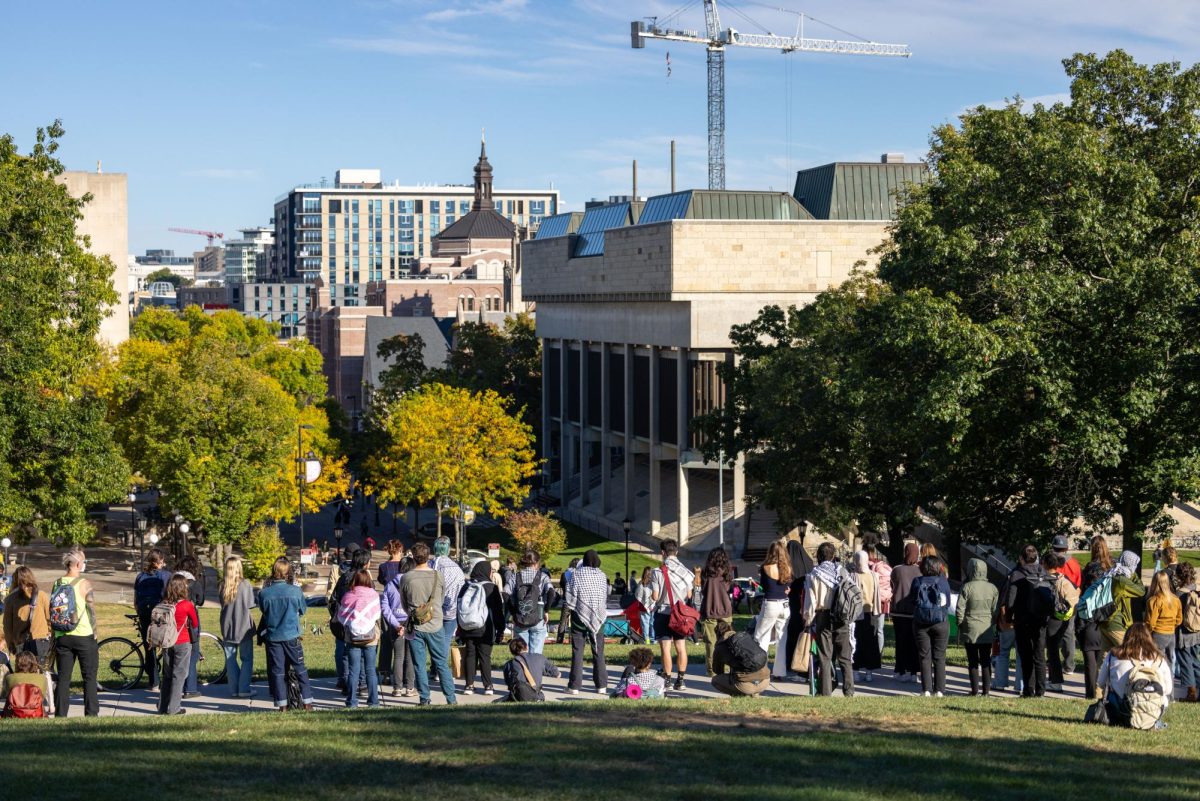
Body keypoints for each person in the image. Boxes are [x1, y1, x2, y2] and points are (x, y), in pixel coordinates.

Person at [402, 542, 456, 706]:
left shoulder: (407, 577)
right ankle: (451, 698)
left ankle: (424, 698)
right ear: (428, 556)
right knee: (441, 663)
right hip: (436, 623)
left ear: (413, 556)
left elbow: (403, 602)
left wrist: (413, 612)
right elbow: (442, 595)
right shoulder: (437, 576)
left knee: (419, 664)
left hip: (416, 624)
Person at [257, 557, 315, 711]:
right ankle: (307, 703)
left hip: (274, 637)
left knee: (277, 671)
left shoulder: (264, 593)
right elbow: (303, 610)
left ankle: (282, 705)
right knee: (300, 668)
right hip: (291, 635)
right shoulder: (295, 591)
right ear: (288, 572)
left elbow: (264, 611)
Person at [1099, 622, 1172, 729]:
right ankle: (1150, 720)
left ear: (1127, 637)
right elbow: (1168, 690)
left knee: (1109, 693)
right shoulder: (1159, 659)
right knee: (1164, 697)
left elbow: (1101, 682)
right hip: (1153, 710)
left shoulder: (1113, 655)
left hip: (1122, 710)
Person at [53, 547, 98, 717]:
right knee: (89, 676)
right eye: (84, 561)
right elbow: (91, 611)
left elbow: (55, 610)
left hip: (62, 635)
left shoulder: (57, 583)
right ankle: (91, 713)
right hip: (83, 635)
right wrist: (95, 632)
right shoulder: (84, 583)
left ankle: (61, 713)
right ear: (78, 564)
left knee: (64, 678)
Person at [804, 542, 854, 697]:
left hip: (823, 616)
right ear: (833, 555)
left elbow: (810, 602)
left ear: (819, 556)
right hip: (841, 616)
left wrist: (808, 620)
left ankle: (825, 692)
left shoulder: (814, 574)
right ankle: (849, 690)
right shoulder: (842, 572)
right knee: (845, 657)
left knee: (825, 657)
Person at [1004, 545, 1053, 697]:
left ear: (1021, 558)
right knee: (1039, 655)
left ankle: (1028, 690)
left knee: (1025, 656)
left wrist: (1008, 617)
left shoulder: (1017, 574)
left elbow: (1010, 600)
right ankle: (1041, 690)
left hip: (1022, 619)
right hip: (1041, 619)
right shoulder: (1043, 572)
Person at [649, 539, 694, 691]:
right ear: (677, 552)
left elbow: (655, 596)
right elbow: (689, 594)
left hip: (664, 613)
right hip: (680, 614)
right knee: (681, 647)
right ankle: (680, 680)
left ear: (662, 553)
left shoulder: (658, 572)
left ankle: (667, 679)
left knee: (666, 648)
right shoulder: (686, 572)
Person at [565, 549, 609, 695]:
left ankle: (574, 686)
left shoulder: (576, 575)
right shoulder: (602, 576)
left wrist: (573, 607)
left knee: (577, 651)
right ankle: (601, 685)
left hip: (579, 616)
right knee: (598, 651)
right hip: (598, 617)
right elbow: (604, 595)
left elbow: (570, 596)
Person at [337, 568, 382, 708]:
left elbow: (341, 617)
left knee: (353, 670)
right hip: (371, 637)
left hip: (352, 638)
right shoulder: (374, 595)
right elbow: (377, 615)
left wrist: (353, 623)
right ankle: (373, 701)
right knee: (370, 670)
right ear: (368, 580)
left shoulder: (348, 595)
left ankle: (351, 701)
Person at [459, 560, 504, 695]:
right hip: (486, 627)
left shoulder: (466, 586)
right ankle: (488, 686)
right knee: (485, 656)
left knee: (470, 655)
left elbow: (459, 607)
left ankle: (469, 685)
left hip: (467, 627)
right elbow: (497, 611)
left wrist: (459, 628)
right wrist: (500, 629)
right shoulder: (491, 587)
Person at [329, 547, 370, 692]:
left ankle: (346, 681)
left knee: (345, 652)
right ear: (365, 563)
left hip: (344, 619)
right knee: (363, 651)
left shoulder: (344, 577)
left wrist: (337, 615)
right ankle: (362, 682)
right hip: (362, 620)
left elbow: (334, 599)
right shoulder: (365, 578)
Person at [957, 556, 999, 696]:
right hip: (986, 627)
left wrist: (960, 624)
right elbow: (996, 610)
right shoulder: (993, 588)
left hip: (970, 627)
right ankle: (986, 691)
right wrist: (991, 623)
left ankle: (974, 690)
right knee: (986, 660)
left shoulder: (967, 587)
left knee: (973, 661)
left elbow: (960, 609)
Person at [911, 554, 952, 697]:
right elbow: (947, 602)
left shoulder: (917, 581)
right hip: (940, 621)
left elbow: (912, 600)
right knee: (939, 657)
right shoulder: (943, 582)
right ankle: (939, 690)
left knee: (924, 656)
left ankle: (926, 689)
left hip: (921, 623)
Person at [158, 574, 199, 715]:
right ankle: (174, 708)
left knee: (167, 676)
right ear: (183, 588)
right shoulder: (187, 605)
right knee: (179, 675)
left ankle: (163, 707)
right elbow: (195, 623)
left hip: (167, 642)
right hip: (182, 642)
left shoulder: (164, 604)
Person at [504, 549, 557, 655]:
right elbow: (551, 592)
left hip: (520, 618)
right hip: (538, 617)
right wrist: (546, 611)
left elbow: (505, 593)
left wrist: (513, 612)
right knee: (536, 654)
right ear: (537, 562)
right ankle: (534, 669)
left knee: (522, 653)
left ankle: (523, 669)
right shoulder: (542, 576)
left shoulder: (515, 576)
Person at [132, 549, 172, 688]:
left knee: (149, 646)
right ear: (157, 561)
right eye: (162, 561)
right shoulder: (166, 575)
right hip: (160, 613)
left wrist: (139, 610)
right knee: (166, 643)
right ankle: (168, 678)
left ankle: (153, 681)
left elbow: (136, 599)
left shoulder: (140, 576)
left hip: (144, 611)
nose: (164, 563)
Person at [753, 541, 792, 680]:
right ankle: (779, 672)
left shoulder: (765, 567)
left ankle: (761, 670)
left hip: (770, 603)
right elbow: (788, 587)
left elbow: (763, 587)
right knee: (782, 638)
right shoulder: (787, 567)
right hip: (785, 605)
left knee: (761, 635)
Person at [219, 555, 256, 699]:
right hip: (244, 626)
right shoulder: (245, 584)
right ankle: (244, 688)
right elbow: (250, 604)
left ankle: (234, 689)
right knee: (246, 658)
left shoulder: (222, 585)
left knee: (231, 659)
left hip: (228, 626)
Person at [381, 555, 417, 698]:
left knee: (398, 656)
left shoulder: (389, 585)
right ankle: (409, 688)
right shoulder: (413, 584)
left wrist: (396, 625)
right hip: (410, 623)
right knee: (409, 656)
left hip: (395, 624)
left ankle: (397, 688)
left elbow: (385, 608)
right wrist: (408, 622)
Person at [1044, 552, 1079, 692]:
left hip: (1052, 619)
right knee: (1054, 650)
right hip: (1063, 619)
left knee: (1052, 651)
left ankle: (1056, 681)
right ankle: (1054, 679)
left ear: (1045, 564)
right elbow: (1076, 595)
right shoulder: (1064, 579)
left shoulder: (1046, 580)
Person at [3, 566, 51, 667]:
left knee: (23, 673)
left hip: (20, 642)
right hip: (40, 641)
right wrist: (49, 634)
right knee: (40, 672)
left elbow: (7, 626)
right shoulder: (41, 595)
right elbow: (49, 618)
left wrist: (10, 643)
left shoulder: (10, 599)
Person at [173, 554, 206, 699]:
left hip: (174, 621)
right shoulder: (194, 583)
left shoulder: (172, 581)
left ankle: (176, 687)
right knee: (193, 653)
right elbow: (201, 600)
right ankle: (190, 688)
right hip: (190, 621)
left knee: (175, 655)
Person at [1076, 556, 1109, 700]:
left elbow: (1081, 617)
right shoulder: (1105, 594)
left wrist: (1079, 631)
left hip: (1088, 630)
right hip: (1102, 629)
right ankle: (1100, 691)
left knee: (1090, 665)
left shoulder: (1086, 595)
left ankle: (1090, 693)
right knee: (1100, 665)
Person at [711, 619, 770, 698]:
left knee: (715, 680)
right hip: (765, 681)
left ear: (717, 634)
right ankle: (755, 694)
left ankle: (740, 696)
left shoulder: (720, 647)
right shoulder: (745, 637)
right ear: (731, 628)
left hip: (745, 686)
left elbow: (717, 670)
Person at [890, 542, 922, 683]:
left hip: (898, 611)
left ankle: (900, 670)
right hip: (914, 612)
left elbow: (892, 585)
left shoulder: (897, 569)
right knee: (914, 643)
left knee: (900, 642)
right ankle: (914, 671)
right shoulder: (921, 570)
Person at [699, 547, 734, 677]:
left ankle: (712, 670)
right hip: (725, 610)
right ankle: (728, 667)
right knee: (728, 641)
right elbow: (728, 588)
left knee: (710, 642)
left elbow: (703, 590)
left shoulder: (706, 573)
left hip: (709, 609)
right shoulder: (727, 573)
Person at [1103, 550, 1147, 649]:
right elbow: (1141, 591)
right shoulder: (1122, 581)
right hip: (1117, 621)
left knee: (1106, 656)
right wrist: (1135, 576)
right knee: (1129, 651)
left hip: (1105, 619)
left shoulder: (1111, 573)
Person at [783, 539, 814, 678]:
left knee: (792, 635)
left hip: (793, 604)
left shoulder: (789, 566)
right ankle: (805, 664)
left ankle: (790, 662)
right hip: (807, 604)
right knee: (806, 636)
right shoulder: (809, 563)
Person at [1051, 535, 1081, 674]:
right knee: (1068, 633)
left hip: (1052, 601)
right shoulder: (1074, 563)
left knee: (1051, 634)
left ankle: (1052, 663)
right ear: (1066, 548)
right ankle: (1069, 665)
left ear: (1053, 547)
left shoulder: (1049, 561)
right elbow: (1078, 584)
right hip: (1070, 602)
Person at [851, 550, 882, 683]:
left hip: (857, 614)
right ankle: (869, 673)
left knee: (856, 642)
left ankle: (856, 671)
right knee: (870, 643)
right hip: (872, 613)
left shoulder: (853, 576)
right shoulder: (874, 575)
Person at [500, 637, 558, 702]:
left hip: (518, 697)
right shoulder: (539, 657)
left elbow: (508, 683)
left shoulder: (509, 664)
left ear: (512, 652)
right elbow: (556, 673)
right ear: (526, 647)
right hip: (537, 695)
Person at [1145, 569, 1181, 674]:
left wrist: (1147, 632)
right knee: (1170, 662)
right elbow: (1179, 619)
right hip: (1171, 633)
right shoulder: (1175, 599)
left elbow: (1151, 622)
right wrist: (1171, 626)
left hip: (1158, 633)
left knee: (1157, 662)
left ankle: (1160, 686)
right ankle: (1170, 688)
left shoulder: (1154, 600)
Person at [1173, 562, 1199, 703]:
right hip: (1196, 630)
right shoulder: (1196, 589)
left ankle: (1192, 693)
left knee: (1185, 662)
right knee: (1195, 661)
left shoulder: (1179, 594)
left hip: (1183, 633)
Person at [2, 650, 52, 717]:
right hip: (36, 712)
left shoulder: (9, 678)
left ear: (17, 663)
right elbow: (42, 697)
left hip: (14, 712)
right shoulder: (42, 678)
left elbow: (7, 695)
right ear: (34, 663)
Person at [864, 535, 891, 656]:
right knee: (880, 629)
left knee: (866, 629)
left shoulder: (861, 566)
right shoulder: (881, 565)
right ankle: (878, 653)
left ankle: (867, 652)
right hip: (881, 601)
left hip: (866, 602)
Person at [556, 558, 579, 644]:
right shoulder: (579, 574)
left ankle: (559, 640)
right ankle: (575, 639)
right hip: (576, 601)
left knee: (562, 622)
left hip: (566, 600)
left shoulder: (564, 574)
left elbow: (562, 585)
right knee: (576, 622)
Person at [635, 567, 656, 644]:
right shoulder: (654, 583)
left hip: (644, 607)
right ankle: (653, 640)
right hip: (653, 606)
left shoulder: (642, 583)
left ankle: (647, 640)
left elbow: (638, 596)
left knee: (645, 624)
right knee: (652, 623)